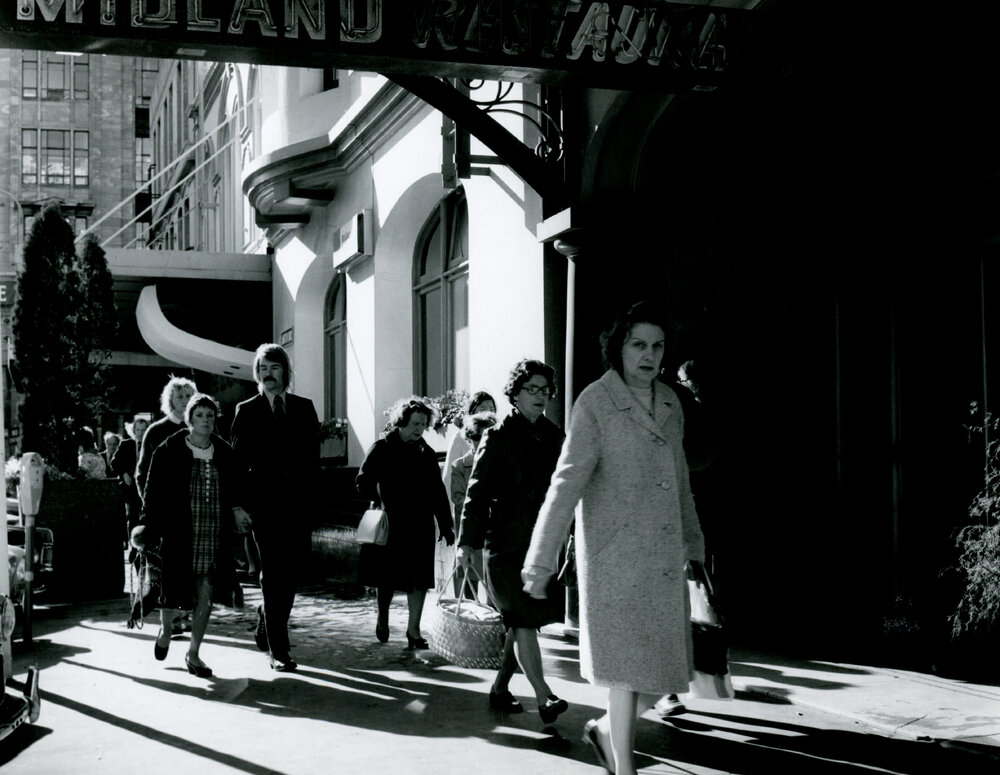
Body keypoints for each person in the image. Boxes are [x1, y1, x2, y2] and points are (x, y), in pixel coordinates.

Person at [521, 301, 705, 775]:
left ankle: (605, 732)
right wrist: (540, 560)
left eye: (657, 346)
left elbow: (681, 482)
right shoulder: (595, 402)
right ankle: (623, 768)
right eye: (638, 344)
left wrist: (695, 549)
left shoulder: (671, 402)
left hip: (664, 561)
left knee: (666, 673)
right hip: (615, 561)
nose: (649, 355)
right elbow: (566, 483)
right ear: (618, 348)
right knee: (625, 674)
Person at [457, 359, 568, 723]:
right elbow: (475, 496)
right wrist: (466, 544)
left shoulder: (555, 437)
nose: (540, 396)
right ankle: (545, 696)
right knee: (521, 620)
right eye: (531, 389)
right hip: (503, 547)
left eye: (545, 390)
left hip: (539, 547)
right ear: (515, 394)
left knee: (520, 624)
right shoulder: (498, 436)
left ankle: (500, 687)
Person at [131, 393, 249, 678]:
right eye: (199, 415)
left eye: (210, 415)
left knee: (206, 595)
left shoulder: (223, 451)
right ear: (189, 419)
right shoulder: (169, 448)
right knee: (172, 593)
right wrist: (147, 525)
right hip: (179, 533)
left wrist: (237, 509)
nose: (205, 421)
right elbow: (152, 490)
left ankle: (193, 654)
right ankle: (166, 630)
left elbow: (236, 485)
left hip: (212, 532)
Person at [230, 343, 320, 672]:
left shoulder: (304, 408)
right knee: (272, 573)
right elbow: (236, 464)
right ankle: (279, 651)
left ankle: (266, 616)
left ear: (285, 371)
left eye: (274, 368)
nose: (268, 374)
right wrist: (238, 506)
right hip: (263, 507)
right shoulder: (247, 410)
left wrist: (312, 503)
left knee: (291, 573)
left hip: (298, 506)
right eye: (263, 369)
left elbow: (312, 461)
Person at [356, 397, 455, 648]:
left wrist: (446, 525)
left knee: (419, 578)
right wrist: (380, 496)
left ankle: (414, 631)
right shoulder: (382, 448)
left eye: (423, 424)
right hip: (391, 523)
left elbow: (437, 492)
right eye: (415, 424)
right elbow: (362, 482)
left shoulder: (427, 453)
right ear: (401, 423)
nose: (419, 429)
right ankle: (383, 616)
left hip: (420, 524)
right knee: (386, 577)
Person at [449, 410, 498, 598]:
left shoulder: (502, 463)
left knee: (496, 589)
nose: (483, 441)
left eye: (488, 436)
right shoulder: (460, 465)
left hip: (496, 534)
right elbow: (459, 499)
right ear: (469, 438)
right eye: (478, 436)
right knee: (469, 586)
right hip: (472, 533)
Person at [136, 376, 198, 496]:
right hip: (164, 499)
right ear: (170, 400)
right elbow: (143, 472)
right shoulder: (155, 431)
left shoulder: (202, 428)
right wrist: (148, 503)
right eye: (180, 397)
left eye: (188, 396)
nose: (185, 400)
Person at [112, 412, 152, 546]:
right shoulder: (126, 444)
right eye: (138, 430)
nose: (140, 433)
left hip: (147, 487)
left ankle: (145, 546)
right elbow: (115, 462)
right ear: (134, 430)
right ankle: (133, 547)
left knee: (146, 517)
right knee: (132, 517)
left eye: (143, 430)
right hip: (130, 488)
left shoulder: (151, 445)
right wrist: (124, 474)